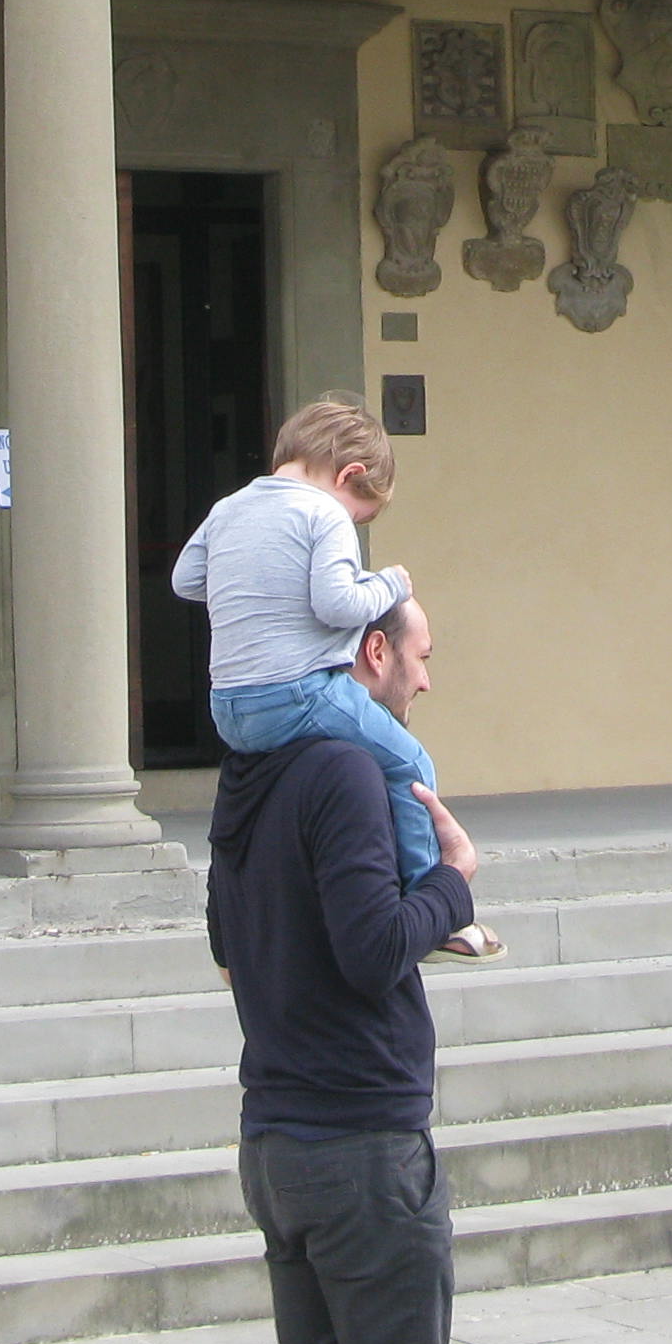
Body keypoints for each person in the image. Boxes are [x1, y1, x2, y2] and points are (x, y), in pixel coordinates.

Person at [206, 598, 473, 1344]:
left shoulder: (248, 773)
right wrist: (453, 883)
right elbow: (372, 950)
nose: (425, 682)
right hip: (359, 1147)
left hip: (277, 1145)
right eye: (421, 658)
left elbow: (227, 948)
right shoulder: (349, 772)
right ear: (374, 651)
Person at [173, 397, 497, 954]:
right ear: (349, 475)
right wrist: (390, 584)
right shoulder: (323, 514)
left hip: (229, 709)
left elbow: (185, 581)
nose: (355, 523)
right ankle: (433, 907)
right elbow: (339, 605)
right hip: (298, 694)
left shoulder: (228, 509)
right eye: (361, 515)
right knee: (411, 764)